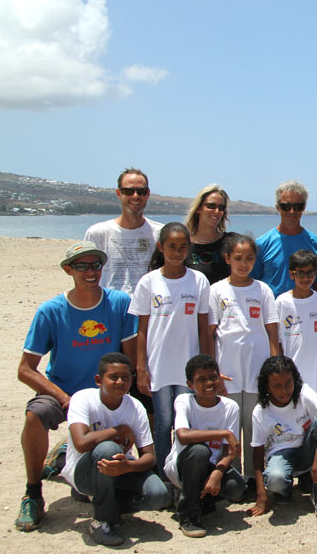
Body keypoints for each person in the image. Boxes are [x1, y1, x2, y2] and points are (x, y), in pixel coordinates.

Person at [14, 241, 137, 532]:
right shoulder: (51, 311)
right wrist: (65, 399)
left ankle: (66, 455)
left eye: (96, 265)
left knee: (89, 490)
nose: (91, 271)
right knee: (35, 416)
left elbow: (129, 360)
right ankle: (33, 493)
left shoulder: (119, 303)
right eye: (82, 266)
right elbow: (25, 369)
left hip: (104, 394)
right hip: (62, 391)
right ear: (69, 269)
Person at [60, 353, 170, 546]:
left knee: (157, 495)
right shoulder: (82, 399)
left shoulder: (135, 406)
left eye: (126, 377)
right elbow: (81, 443)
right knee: (108, 448)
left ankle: (105, 503)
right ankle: (102, 521)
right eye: (113, 377)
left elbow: (149, 457)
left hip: (120, 470)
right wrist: (118, 430)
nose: (120, 382)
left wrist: (127, 466)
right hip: (83, 471)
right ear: (98, 380)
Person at [130, 222, 212, 476]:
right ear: (160, 247)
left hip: (188, 366)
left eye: (183, 247)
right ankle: (164, 474)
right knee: (163, 422)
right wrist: (140, 367)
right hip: (159, 366)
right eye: (172, 247)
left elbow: (203, 326)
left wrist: (208, 365)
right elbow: (141, 329)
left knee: (185, 421)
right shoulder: (148, 282)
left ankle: (184, 473)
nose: (177, 252)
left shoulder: (198, 281)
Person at [208, 233, 280, 479]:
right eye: (238, 258)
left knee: (253, 428)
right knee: (228, 428)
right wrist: (213, 372)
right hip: (226, 373)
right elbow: (209, 334)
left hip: (256, 372)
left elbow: (272, 331)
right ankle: (230, 476)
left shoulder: (262, 290)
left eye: (249, 258)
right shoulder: (216, 290)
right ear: (227, 258)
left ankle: (252, 476)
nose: (243, 263)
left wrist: (272, 368)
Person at [163, 355, 245, 538]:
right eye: (201, 379)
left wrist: (217, 474)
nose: (209, 383)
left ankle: (203, 499)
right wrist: (223, 433)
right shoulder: (184, 401)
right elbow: (183, 436)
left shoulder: (230, 407)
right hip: (183, 467)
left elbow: (227, 450)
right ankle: (188, 515)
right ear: (190, 384)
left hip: (210, 467)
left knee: (236, 487)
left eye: (213, 377)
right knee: (200, 450)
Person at [248, 356, 317, 520]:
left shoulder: (302, 391)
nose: (284, 390)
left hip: (308, 449)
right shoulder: (261, 411)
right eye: (277, 386)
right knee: (275, 479)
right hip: (282, 453)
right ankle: (284, 489)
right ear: (267, 387)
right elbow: (257, 454)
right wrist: (261, 496)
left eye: (288, 383)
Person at [84, 167, 164, 294]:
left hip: (149, 308)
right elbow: (85, 274)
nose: (135, 196)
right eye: (128, 191)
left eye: (141, 191)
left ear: (148, 194)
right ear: (118, 193)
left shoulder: (160, 233)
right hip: (110, 308)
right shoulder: (98, 233)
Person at [252, 180, 317, 297]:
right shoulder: (261, 244)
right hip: (271, 312)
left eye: (297, 206)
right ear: (277, 207)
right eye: (286, 206)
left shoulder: (316, 244)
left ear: (304, 207)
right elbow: (253, 283)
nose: (292, 211)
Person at [277, 249, 317, 394]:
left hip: (315, 375)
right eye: (301, 273)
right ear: (292, 274)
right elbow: (277, 342)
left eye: (310, 273)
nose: (306, 278)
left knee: (315, 415)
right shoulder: (282, 302)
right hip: (289, 374)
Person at [184, 184, 231, 284]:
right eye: (211, 206)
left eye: (221, 207)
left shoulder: (232, 242)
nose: (217, 211)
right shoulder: (183, 245)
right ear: (199, 208)